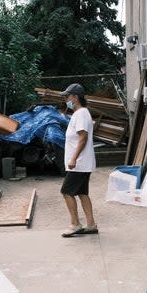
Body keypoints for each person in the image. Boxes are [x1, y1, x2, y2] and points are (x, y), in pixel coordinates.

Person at [59, 83, 98, 237]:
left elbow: (83, 137)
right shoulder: (81, 113)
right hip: (83, 163)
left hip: (79, 163)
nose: (66, 99)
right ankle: (91, 224)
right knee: (82, 193)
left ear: (75, 97)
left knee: (66, 191)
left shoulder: (81, 113)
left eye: (67, 96)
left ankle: (75, 224)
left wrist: (73, 158)